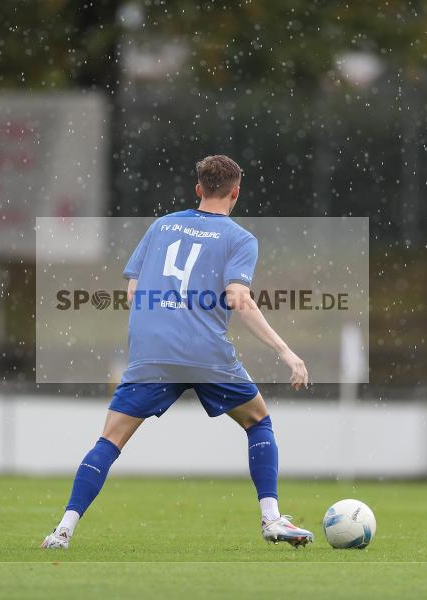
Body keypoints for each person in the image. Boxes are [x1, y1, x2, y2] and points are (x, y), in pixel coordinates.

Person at [42, 155, 311, 550]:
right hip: (205, 351)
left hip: (152, 352)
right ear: (236, 193)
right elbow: (238, 298)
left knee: (110, 441)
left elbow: (133, 292)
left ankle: (62, 530)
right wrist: (287, 352)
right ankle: (271, 518)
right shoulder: (239, 238)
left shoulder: (161, 226)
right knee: (258, 421)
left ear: (198, 189)